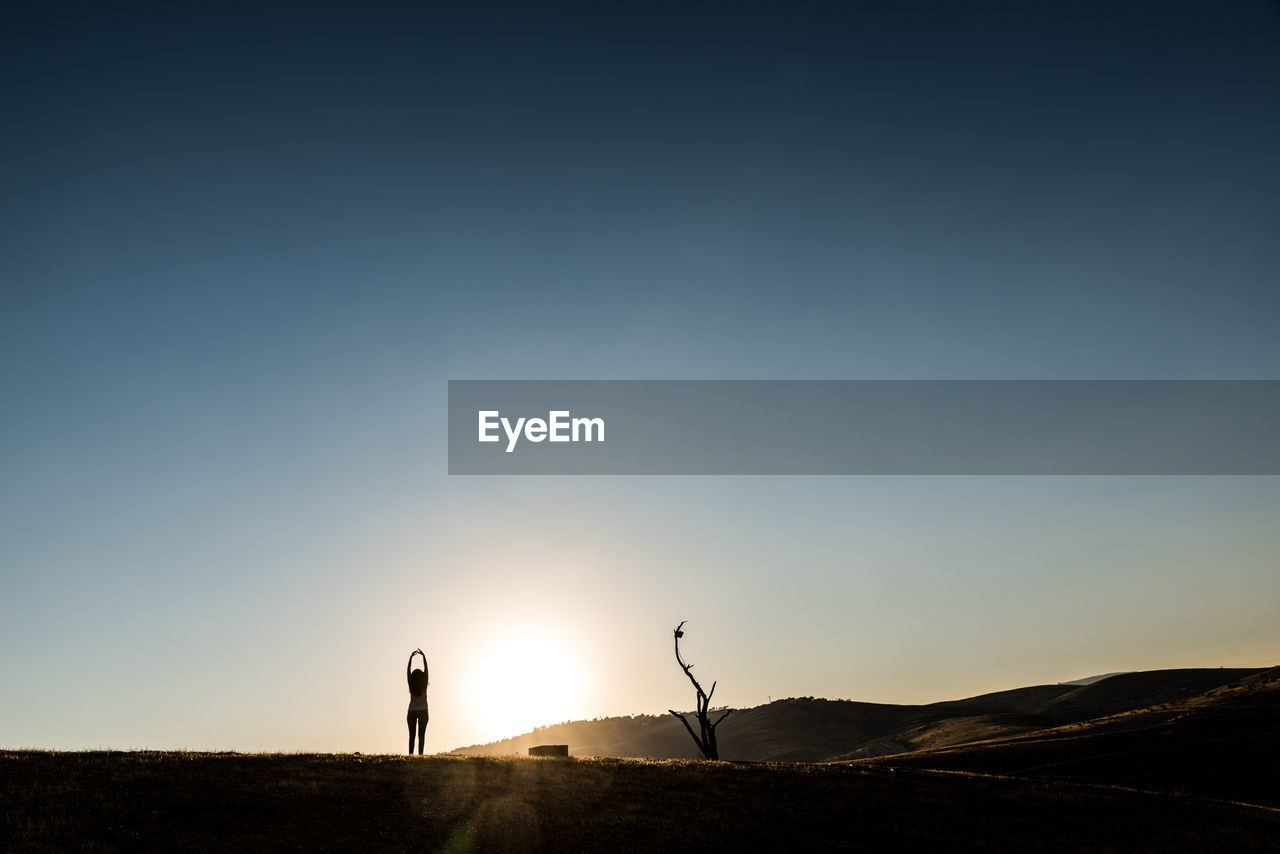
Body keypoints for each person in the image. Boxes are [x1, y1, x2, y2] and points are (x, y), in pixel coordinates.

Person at [406, 648, 429, 755]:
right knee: (421, 735)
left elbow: (408, 671)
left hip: (412, 711)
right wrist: (423, 656)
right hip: (423, 711)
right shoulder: (424, 684)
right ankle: (420, 755)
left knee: (412, 735)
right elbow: (426, 669)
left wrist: (411, 657)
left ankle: (410, 754)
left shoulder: (411, 683)